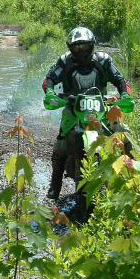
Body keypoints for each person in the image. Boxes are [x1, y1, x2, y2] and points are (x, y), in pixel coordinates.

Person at [43, 27, 132, 200]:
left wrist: (125, 94)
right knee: (62, 141)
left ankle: (132, 173)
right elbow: (50, 79)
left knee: (123, 132)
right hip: (72, 107)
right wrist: (51, 93)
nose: (81, 50)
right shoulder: (65, 61)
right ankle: (55, 185)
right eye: (77, 47)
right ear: (71, 47)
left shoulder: (104, 60)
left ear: (92, 45)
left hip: (102, 107)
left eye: (84, 46)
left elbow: (120, 79)